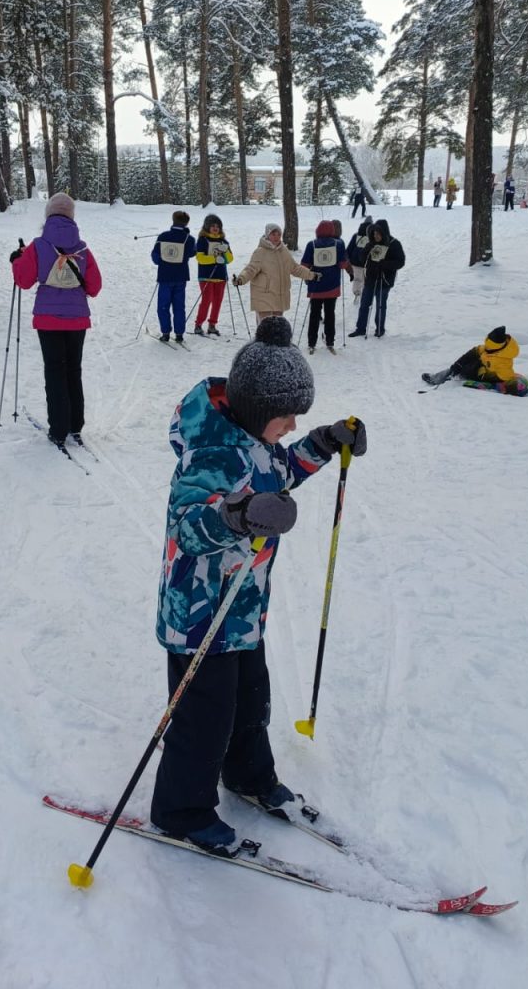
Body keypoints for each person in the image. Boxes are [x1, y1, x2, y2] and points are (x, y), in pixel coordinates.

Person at [150, 316, 367, 853]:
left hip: (242, 608)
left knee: (250, 701)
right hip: (201, 614)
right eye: (288, 416)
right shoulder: (213, 451)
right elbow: (185, 524)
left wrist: (325, 442)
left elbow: (280, 470)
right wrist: (238, 515)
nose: (292, 425)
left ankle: (248, 775)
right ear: (253, 408)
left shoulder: (254, 437)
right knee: (204, 718)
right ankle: (179, 809)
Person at [10, 192, 103, 448]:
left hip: (48, 320)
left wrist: (17, 260)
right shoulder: (83, 248)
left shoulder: (38, 246)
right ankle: (75, 425)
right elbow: (94, 287)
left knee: (54, 371)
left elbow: (24, 280)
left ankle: (59, 428)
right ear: (72, 216)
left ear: (48, 215)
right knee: (74, 369)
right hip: (77, 320)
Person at [233, 223, 318, 326]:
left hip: (280, 296)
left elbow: (295, 268)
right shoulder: (260, 252)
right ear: (267, 235)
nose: (276, 237)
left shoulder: (284, 251)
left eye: (278, 234)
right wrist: (240, 279)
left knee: (278, 328)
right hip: (264, 296)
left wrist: (312, 275)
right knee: (265, 328)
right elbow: (250, 269)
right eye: (273, 234)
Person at [421, 326, 528, 396]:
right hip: (480, 366)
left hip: (483, 375)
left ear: (498, 348)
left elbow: (509, 380)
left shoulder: (503, 363)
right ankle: (441, 376)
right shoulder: (491, 349)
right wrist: (457, 365)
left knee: (467, 368)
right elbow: (474, 351)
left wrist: (509, 388)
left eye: (489, 347)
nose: (486, 348)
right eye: (486, 345)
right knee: (465, 362)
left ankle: (453, 377)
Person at [348, 219, 405, 339]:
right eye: (374, 233)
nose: (375, 236)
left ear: (384, 232)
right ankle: (360, 328)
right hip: (370, 279)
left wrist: (385, 264)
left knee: (380, 305)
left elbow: (400, 262)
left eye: (378, 233)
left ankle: (380, 329)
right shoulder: (371, 243)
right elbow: (362, 259)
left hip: (384, 281)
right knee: (364, 305)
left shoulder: (394, 244)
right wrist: (365, 252)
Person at [301, 219, 350, 354]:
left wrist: (307, 276)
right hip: (332, 286)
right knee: (330, 314)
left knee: (314, 314)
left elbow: (304, 265)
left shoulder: (311, 244)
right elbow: (343, 265)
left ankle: (312, 343)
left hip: (315, 286)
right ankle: (330, 341)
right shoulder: (338, 244)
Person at [151, 210, 196, 343]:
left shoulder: (163, 236)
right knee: (179, 306)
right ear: (186, 223)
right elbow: (193, 253)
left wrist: (163, 263)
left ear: (173, 220)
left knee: (163, 306)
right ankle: (179, 334)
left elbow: (155, 257)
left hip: (165, 276)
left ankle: (165, 332)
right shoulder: (189, 239)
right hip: (181, 276)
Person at [193, 214, 233, 336]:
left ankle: (212, 325)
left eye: (218, 226)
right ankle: (198, 324)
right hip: (206, 276)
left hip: (220, 276)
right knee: (207, 300)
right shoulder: (202, 240)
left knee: (217, 301)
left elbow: (230, 258)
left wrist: (225, 253)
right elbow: (200, 258)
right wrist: (215, 258)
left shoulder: (224, 241)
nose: (215, 228)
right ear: (207, 227)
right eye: (212, 226)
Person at [346, 216, 372, 308]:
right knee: (366, 280)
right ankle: (365, 297)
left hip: (355, 262)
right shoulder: (373, 236)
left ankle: (357, 294)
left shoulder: (356, 235)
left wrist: (348, 258)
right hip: (367, 263)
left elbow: (349, 248)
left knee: (357, 279)